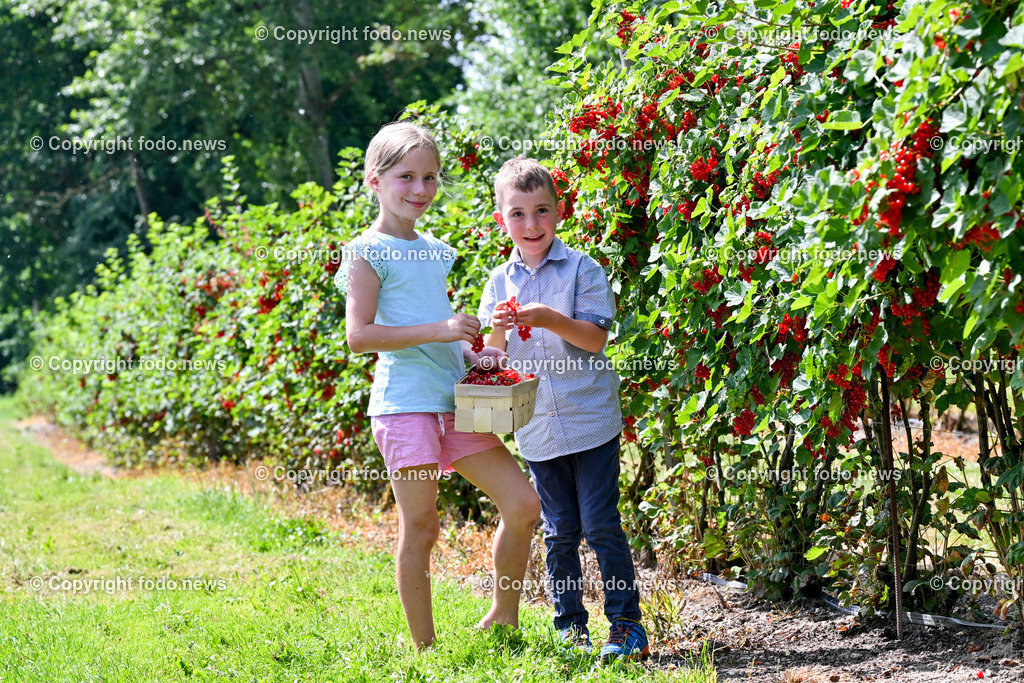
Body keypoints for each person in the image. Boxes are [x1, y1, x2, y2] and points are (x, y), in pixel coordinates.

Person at [336, 122, 540, 651]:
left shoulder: (434, 250)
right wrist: (442, 329)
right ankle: (425, 650)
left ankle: (502, 619)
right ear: (374, 180)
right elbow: (359, 336)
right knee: (422, 526)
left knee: (523, 505)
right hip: (404, 407)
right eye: (406, 176)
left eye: (430, 177)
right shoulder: (366, 252)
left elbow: (434, 324)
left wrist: (474, 351)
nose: (421, 188)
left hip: (454, 402)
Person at [478, 155, 649, 662]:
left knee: (600, 524)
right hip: (537, 428)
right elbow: (492, 360)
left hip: (590, 419)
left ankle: (627, 627)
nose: (531, 224)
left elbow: (594, 339)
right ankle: (570, 628)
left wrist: (549, 318)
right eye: (518, 214)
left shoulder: (582, 269)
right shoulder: (498, 282)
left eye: (541, 211)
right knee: (559, 533)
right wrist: (495, 334)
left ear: (559, 212)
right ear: (502, 219)